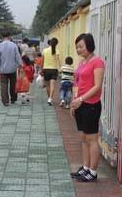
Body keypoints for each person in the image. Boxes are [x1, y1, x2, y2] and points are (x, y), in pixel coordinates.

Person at [69, 34, 105, 182]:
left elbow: (97, 86)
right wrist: (74, 101)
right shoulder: (82, 62)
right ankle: (85, 167)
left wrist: (81, 99)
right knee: (83, 138)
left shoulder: (97, 62)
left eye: (81, 46)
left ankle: (93, 171)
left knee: (91, 138)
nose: (79, 49)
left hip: (91, 105)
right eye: (77, 47)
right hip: (80, 104)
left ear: (89, 45)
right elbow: (76, 83)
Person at [0, 31, 22, 106]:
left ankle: (5, 101)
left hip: (3, 69)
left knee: (3, 85)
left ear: (2, 37)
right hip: (13, 69)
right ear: (9, 36)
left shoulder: (0, 46)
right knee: (13, 84)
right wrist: (20, 65)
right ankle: (13, 99)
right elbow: (17, 56)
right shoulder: (14, 45)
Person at [41, 37, 61, 105]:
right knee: (52, 85)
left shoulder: (45, 50)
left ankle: (49, 98)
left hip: (46, 69)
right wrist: (60, 69)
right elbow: (58, 61)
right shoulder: (57, 50)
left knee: (47, 85)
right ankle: (50, 99)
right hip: (54, 70)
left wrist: (41, 69)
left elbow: (42, 61)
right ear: (56, 44)